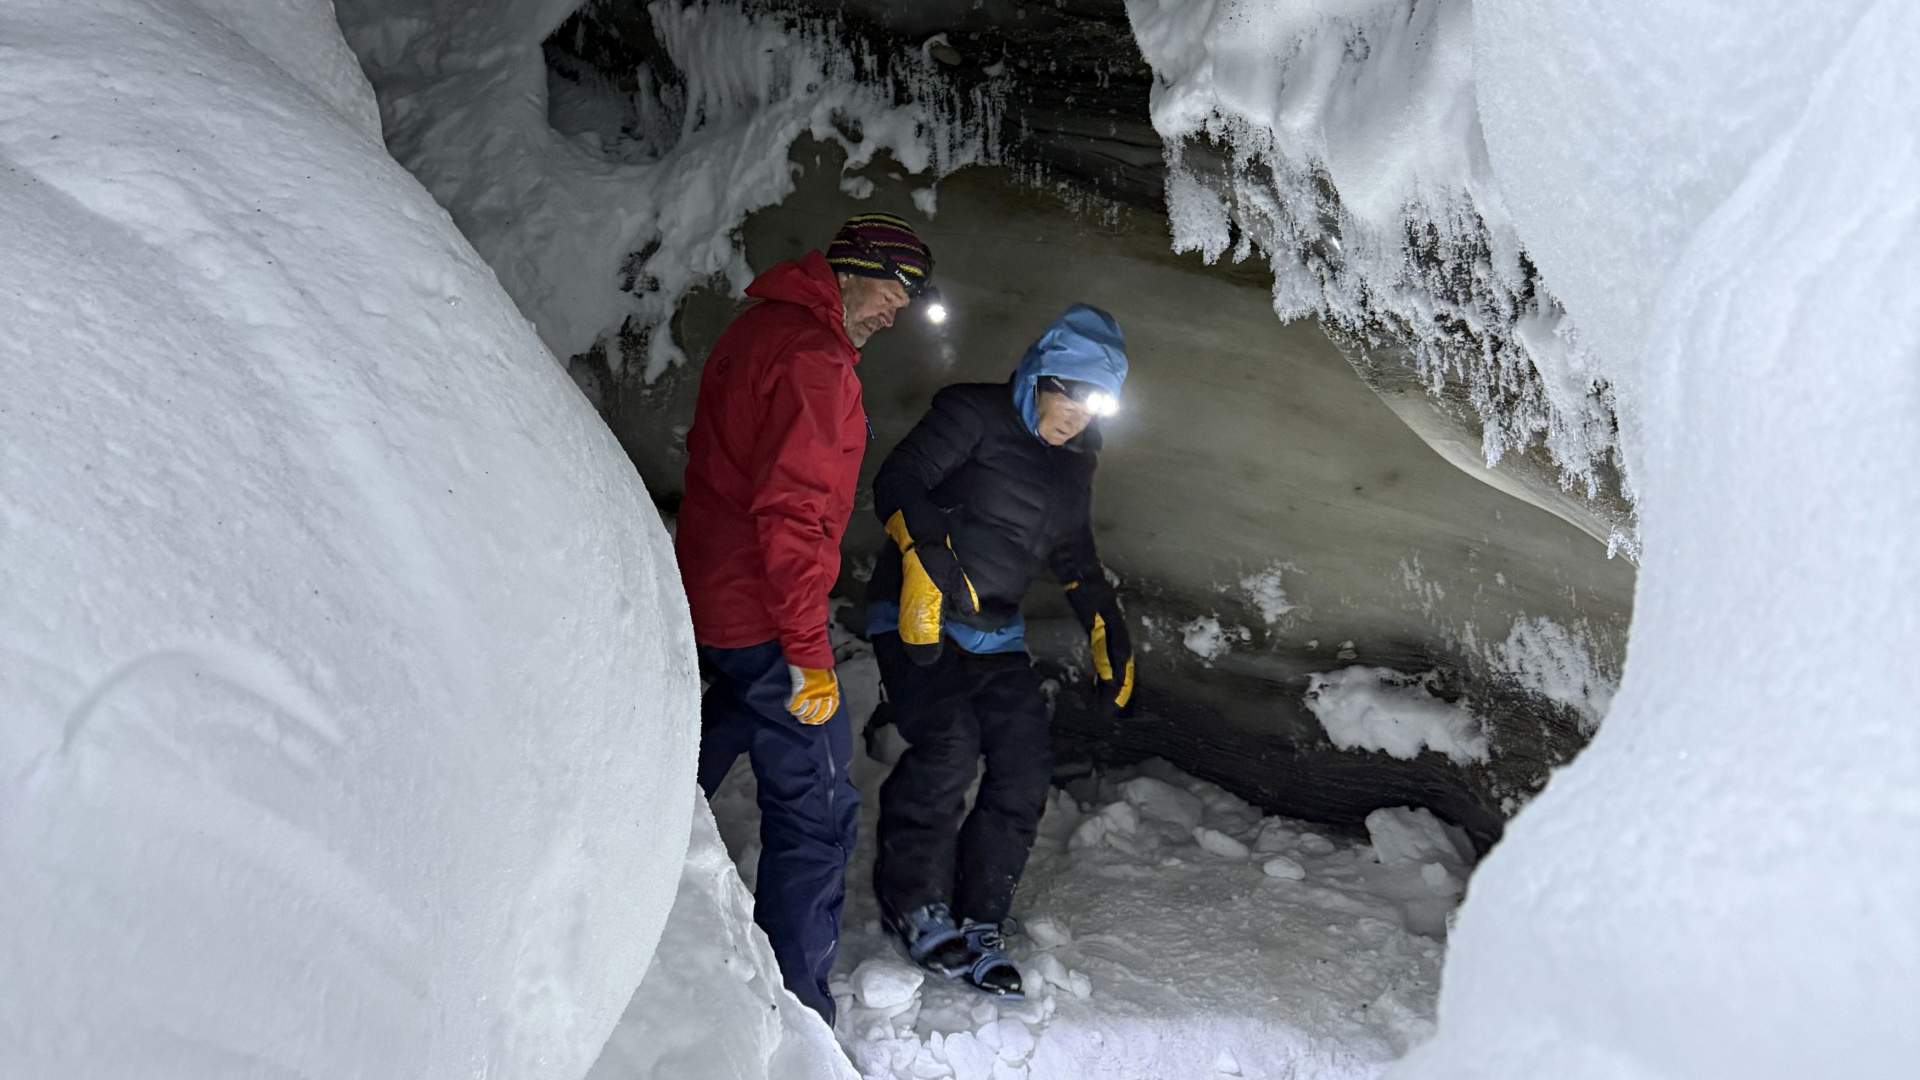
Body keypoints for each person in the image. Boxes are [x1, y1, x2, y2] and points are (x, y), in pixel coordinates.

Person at [675, 211, 934, 1023]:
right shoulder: (817, 360)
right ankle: (795, 1011)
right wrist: (805, 649)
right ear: (853, 269)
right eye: (894, 287)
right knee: (818, 811)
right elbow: (794, 514)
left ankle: (644, 887)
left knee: (696, 756)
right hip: (762, 612)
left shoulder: (760, 330)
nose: (897, 310)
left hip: (715, 595)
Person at [863, 303, 1136, 998]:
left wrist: (1103, 621)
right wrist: (923, 553)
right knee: (950, 745)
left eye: (1092, 400)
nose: (1075, 412)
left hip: (996, 634)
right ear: (1040, 373)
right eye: (1067, 390)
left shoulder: (1076, 463)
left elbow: (1074, 556)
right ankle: (913, 902)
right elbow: (899, 479)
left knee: (1023, 765)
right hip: (916, 618)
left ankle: (981, 916)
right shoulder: (973, 415)